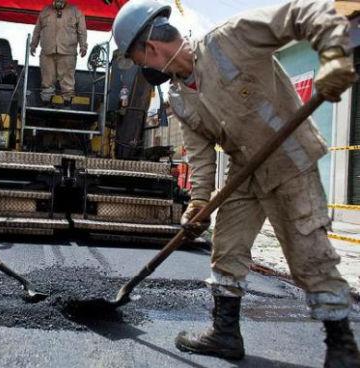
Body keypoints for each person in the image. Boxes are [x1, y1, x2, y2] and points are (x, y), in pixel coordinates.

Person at [113, 0, 359, 365]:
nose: (142, 68)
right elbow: (200, 156)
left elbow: (304, 11)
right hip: (244, 172)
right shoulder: (180, 98)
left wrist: (335, 54)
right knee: (226, 250)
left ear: (150, 48)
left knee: (310, 256)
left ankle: (341, 346)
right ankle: (225, 333)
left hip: (290, 161)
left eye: (138, 59)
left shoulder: (230, 40)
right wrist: (198, 204)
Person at [30, 0, 88, 105]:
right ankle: (46, 102)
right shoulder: (45, 11)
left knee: (67, 79)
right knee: (47, 78)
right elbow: (37, 30)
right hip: (47, 51)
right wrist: (33, 44)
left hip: (67, 52)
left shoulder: (76, 11)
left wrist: (83, 46)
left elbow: (82, 31)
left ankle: (67, 102)